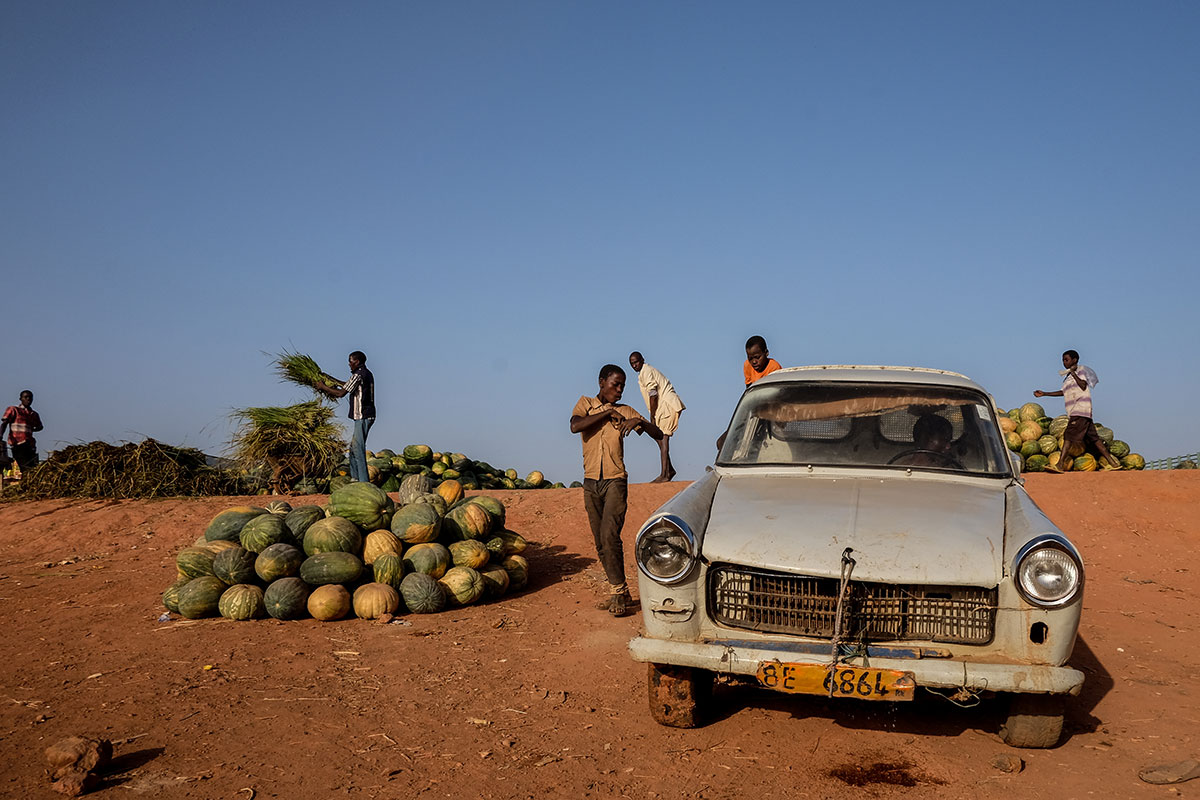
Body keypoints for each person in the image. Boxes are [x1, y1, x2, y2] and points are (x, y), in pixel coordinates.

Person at [570, 364, 663, 617]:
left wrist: (637, 420)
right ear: (602, 382)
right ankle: (620, 590)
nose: (620, 389)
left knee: (610, 535)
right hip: (590, 482)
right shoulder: (585, 404)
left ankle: (617, 592)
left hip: (615, 482)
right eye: (615, 384)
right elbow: (575, 426)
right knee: (601, 541)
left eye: (623, 385)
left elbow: (659, 433)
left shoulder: (626, 411)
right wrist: (606, 413)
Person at [1034, 349, 1122, 472]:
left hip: (1079, 410)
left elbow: (1083, 385)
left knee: (1068, 437)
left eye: (1067, 359)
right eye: (1063, 360)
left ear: (1074, 360)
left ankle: (1059, 465)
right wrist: (1045, 393)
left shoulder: (1080, 371)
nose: (1064, 362)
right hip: (1082, 413)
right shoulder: (1068, 377)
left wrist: (1074, 373)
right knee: (1095, 440)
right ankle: (1113, 463)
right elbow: (1064, 392)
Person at [316, 351, 376, 483]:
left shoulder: (358, 375)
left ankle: (363, 482)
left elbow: (340, 393)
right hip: (365, 415)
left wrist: (323, 387)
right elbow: (348, 385)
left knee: (358, 449)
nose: (349, 364)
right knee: (353, 449)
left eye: (351, 361)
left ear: (357, 362)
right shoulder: (365, 373)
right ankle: (355, 479)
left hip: (363, 416)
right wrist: (330, 379)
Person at [717, 335, 784, 452]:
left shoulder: (774, 368)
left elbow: (776, 394)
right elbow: (749, 389)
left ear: (766, 353)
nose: (754, 361)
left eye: (757, 357)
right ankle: (720, 465)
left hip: (770, 411)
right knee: (722, 442)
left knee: (755, 443)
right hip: (753, 409)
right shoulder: (747, 366)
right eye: (750, 358)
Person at [628, 351, 684, 483]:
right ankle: (669, 470)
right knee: (659, 439)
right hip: (662, 408)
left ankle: (664, 475)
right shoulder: (643, 373)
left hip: (666, 406)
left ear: (642, 360)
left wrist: (652, 416)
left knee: (663, 438)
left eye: (636, 362)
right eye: (632, 364)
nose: (634, 365)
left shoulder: (646, 371)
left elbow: (653, 395)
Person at [1, 390, 44, 477]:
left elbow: (40, 426)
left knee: (33, 468)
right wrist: (0, 435)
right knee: (24, 467)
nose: (28, 399)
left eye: (30, 397)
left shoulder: (33, 414)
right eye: (25, 397)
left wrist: (30, 429)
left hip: (30, 444)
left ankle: (29, 485)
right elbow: (4, 423)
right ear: (21, 399)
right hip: (18, 443)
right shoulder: (14, 410)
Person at [894, 413, 958, 468]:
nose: (948, 446)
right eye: (943, 440)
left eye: (949, 441)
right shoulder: (899, 469)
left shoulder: (951, 471)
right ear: (924, 439)